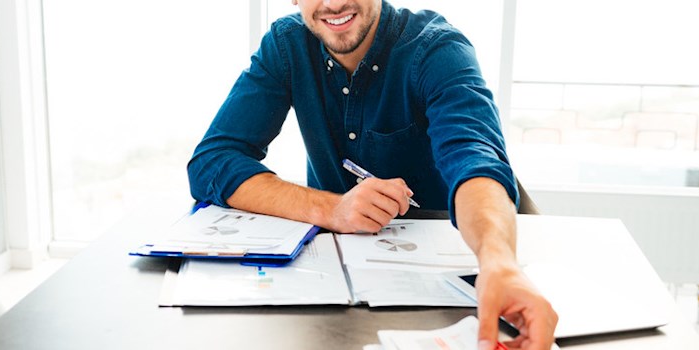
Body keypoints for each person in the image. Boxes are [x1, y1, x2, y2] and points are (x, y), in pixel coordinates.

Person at [187, 0, 557, 348]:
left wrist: (498, 260)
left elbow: (475, 160)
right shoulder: (286, 45)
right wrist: (331, 209)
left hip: (455, 285)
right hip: (339, 291)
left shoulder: (437, 49)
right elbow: (214, 160)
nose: (333, 4)